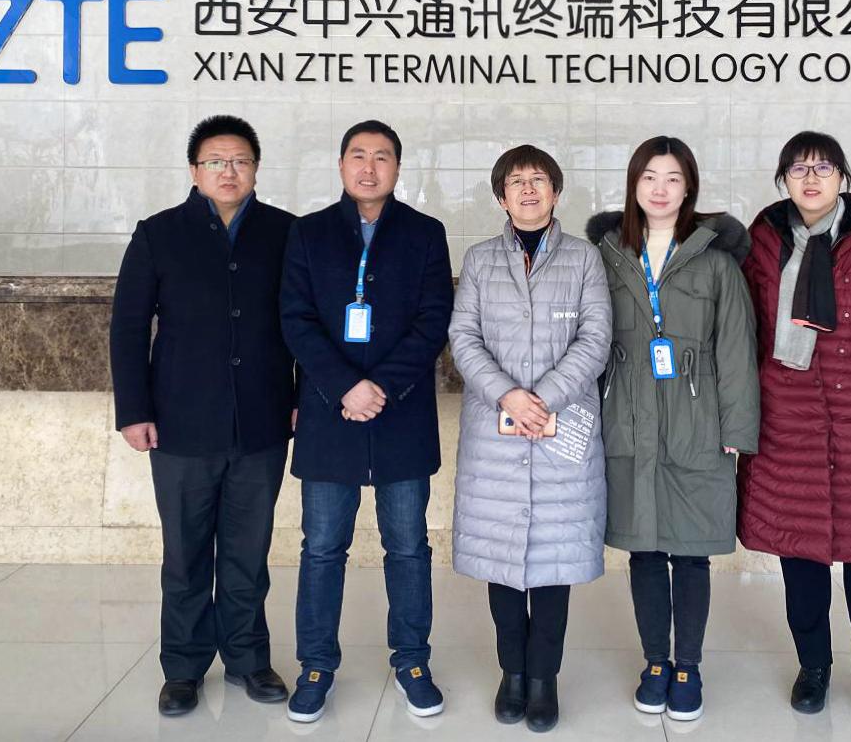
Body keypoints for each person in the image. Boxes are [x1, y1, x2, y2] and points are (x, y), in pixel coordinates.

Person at [736, 131, 851, 733]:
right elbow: (741, 329)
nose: (811, 178)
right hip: (785, 419)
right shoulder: (763, 241)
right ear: (783, 180)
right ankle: (813, 667)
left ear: (842, 176)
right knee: (801, 559)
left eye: (823, 168)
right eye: (798, 169)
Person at [109, 114, 295, 716]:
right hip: (180, 422)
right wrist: (134, 410)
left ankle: (248, 658)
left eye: (239, 160)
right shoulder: (159, 234)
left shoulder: (285, 232)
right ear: (195, 170)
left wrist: (299, 397)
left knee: (248, 551)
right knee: (186, 553)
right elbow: (128, 327)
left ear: (256, 168)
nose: (228, 171)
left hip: (262, 419)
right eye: (216, 161)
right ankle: (184, 667)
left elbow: (303, 325)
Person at [279, 119, 454, 724]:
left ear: (397, 168)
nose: (369, 167)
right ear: (341, 165)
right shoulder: (308, 233)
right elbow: (296, 319)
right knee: (322, 548)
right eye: (358, 155)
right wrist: (345, 386)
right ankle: (315, 666)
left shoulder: (425, 233)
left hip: (401, 415)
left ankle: (412, 662)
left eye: (382, 157)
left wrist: (380, 385)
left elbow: (433, 320)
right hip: (331, 416)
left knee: (407, 547)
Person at [585, 136, 759, 723]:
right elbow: (588, 343)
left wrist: (736, 429)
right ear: (633, 185)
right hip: (628, 419)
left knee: (690, 552)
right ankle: (655, 662)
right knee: (643, 549)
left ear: (689, 189)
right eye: (649, 178)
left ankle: (688, 667)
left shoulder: (716, 261)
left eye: (673, 179)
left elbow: (736, 349)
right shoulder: (607, 255)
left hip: (697, 423)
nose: (660, 190)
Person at [449, 145, 612, 733]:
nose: (527, 189)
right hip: (495, 434)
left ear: (556, 192)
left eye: (538, 180)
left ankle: (543, 678)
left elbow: (596, 337)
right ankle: (511, 673)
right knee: (501, 564)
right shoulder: (479, 259)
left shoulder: (585, 258)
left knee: (552, 567)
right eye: (515, 182)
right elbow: (463, 337)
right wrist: (507, 396)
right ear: (500, 197)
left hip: (561, 427)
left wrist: (543, 397)